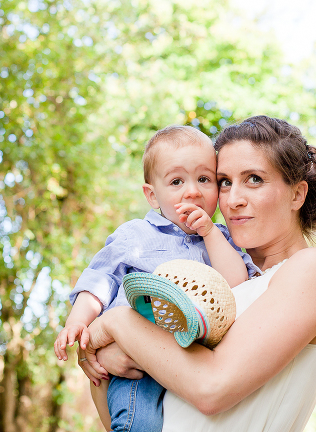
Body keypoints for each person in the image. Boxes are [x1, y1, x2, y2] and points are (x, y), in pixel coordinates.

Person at [76, 115, 316, 432]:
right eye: (224, 182)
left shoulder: (313, 267)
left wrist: (115, 323)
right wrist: (102, 362)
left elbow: (211, 389)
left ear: (297, 194)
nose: (233, 200)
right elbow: (116, 423)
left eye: (255, 179)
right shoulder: (214, 286)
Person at [53, 125, 259, 432]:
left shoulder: (223, 240)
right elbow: (100, 280)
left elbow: (236, 283)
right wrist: (77, 323)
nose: (192, 191)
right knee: (139, 422)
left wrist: (209, 232)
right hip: (135, 358)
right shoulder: (135, 235)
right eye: (177, 181)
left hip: (192, 360)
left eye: (204, 179)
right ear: (152, 195)